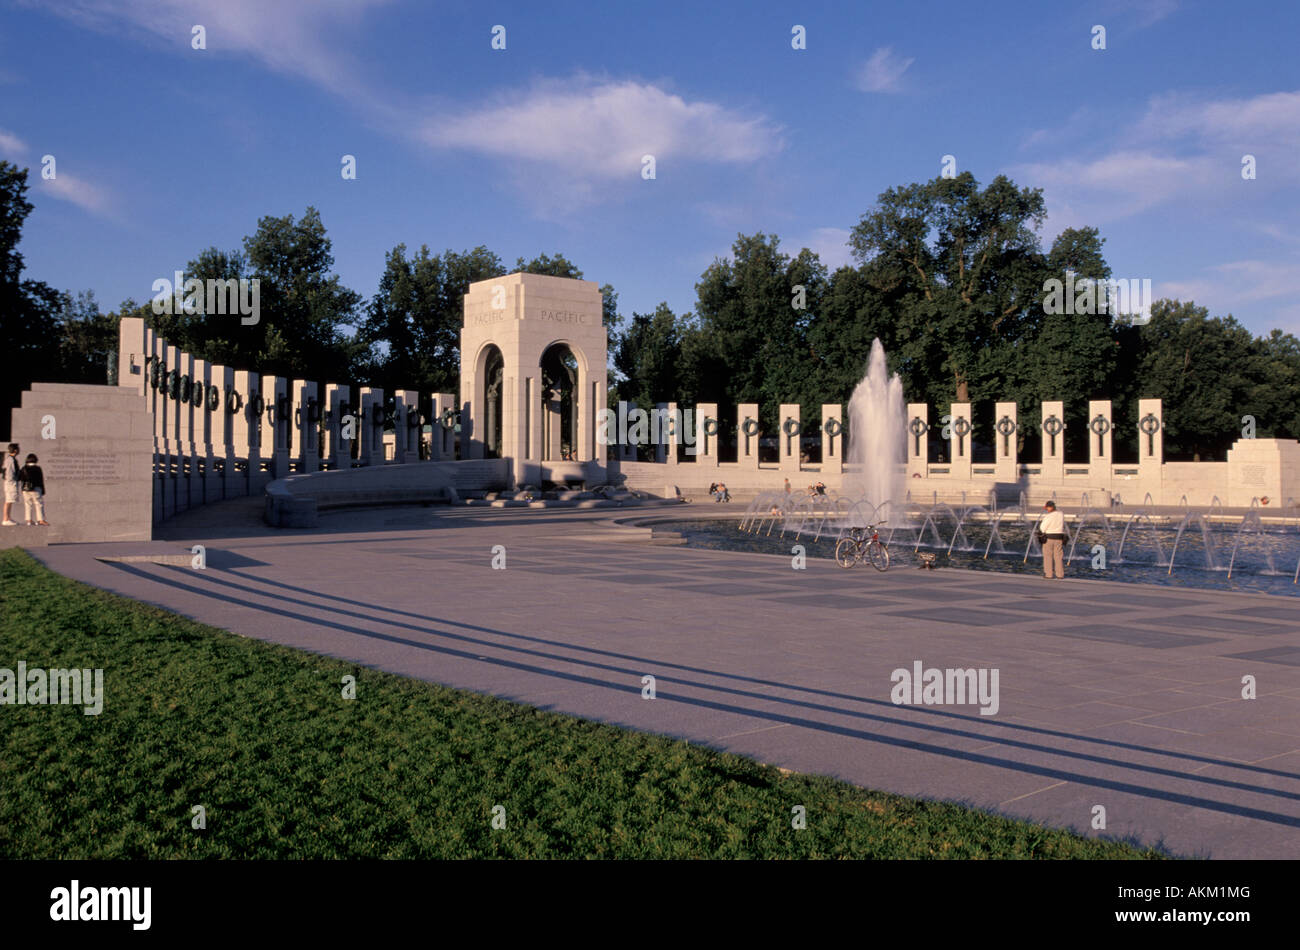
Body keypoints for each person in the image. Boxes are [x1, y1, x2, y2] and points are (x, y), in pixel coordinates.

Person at [1039, 500, 1066, 579]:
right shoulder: (1061, 514)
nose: (1046, 509)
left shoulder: (1048, 516)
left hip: (1049, 538)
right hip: (1059, 537)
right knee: (1058, 556)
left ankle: (1049, 574)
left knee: (1048, 556)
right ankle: (1060, 574)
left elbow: (1042, 528)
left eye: (1047, 508)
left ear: (1050, 507)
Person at [19, 453, 47, 526]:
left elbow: (20, 478)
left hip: (25, 489)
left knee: (28, 504)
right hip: (36, 488)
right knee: (38, 504)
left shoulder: (23, 468)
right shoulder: (37, 468)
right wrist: (43, 490)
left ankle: (29, 520)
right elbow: (40, 480)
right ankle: (40, 520)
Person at [1, 443, 19, 526]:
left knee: (10, 500)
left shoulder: (10, 459)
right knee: (8, 500)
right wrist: (13, 480)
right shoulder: (10, 460)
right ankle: (5, 518)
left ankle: (8, 517)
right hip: (10, 482)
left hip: (9, 482)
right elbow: (9, 472)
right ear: (15, 450)